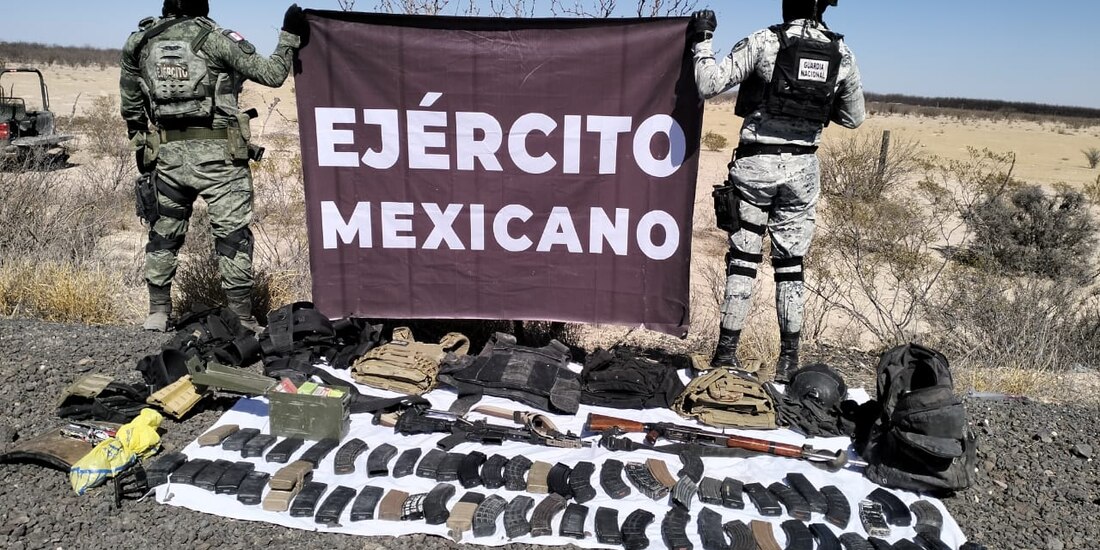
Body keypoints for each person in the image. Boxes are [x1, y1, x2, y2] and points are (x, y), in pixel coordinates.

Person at [689, 0, 865, 382]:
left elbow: (708, 84)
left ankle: (725, 355)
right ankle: (788, 363)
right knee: (791, 267)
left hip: (756, 165)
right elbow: (854, 118)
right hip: (803, 168)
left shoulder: (764, 41)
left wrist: (702, 40)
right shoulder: (843, 54)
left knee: (743, 261)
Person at [120, 0, 308, 332]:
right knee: (232, 238)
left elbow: (131, 106)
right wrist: (289, 35)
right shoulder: (217, 39)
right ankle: (241, 319)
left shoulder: (141, 41)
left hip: (167, 158)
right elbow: (274, 73)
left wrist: (142, 146)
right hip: (220, 160)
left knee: (163, 236)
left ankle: (158, 312)